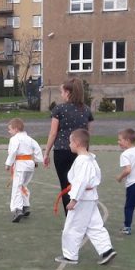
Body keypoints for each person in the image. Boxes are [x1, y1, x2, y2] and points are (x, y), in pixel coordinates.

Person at [57, 129, 117, 266]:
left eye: (70, 142)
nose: (69, 145)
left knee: (72, 227)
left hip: (82, 199)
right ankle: (107, 250)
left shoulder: (82, 161)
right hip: (90, 197)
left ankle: (70, 256)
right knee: (95, 226)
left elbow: (81, 182)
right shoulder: (90, 159)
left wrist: (73, 200)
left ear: (77, 143)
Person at [43, 77, 94, 214]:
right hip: (80, 152)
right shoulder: (86, 110)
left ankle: (70, 217)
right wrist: (86, 152)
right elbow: (87, 134)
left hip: (62, 151)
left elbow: (53, 133)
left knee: (66, 186)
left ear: (68, 92)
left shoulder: (59, 109)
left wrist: (46, 152)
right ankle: (80, 214)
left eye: (62, 92)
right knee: (80, 184)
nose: (61, 95)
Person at [4, 117, 42, 222]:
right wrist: (37, 160)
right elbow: (37, 149)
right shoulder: (29, 139)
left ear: (16, 129)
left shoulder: (14, 139)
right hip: (30, 165)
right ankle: (26, 206)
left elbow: (13, 152)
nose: (9, 131)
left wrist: (8, 164)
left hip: (20, 165)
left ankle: (18, 209)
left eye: (10, 129)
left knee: (17, 187)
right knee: (23, 186)